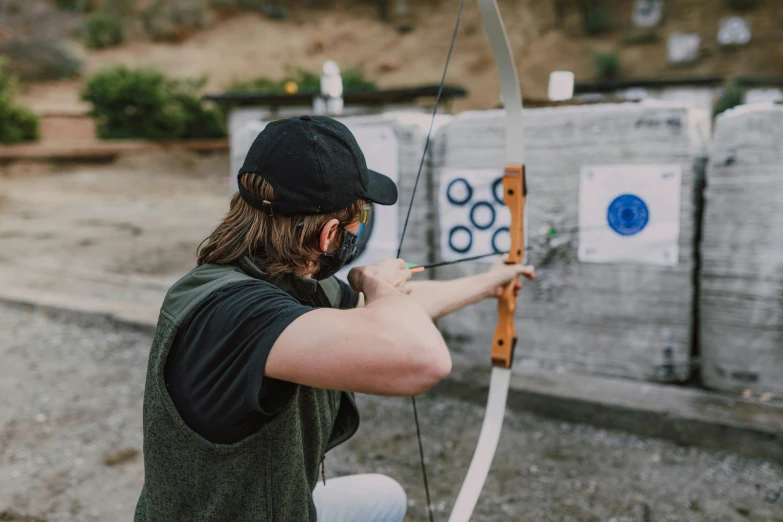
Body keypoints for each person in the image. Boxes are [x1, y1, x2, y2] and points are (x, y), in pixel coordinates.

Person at [134, 115, 534, 522]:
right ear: (329, 235)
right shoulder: (234, 315)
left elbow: (379, 315)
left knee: (383, 496)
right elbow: (425, 360)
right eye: (357, 217)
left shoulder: (284, 281)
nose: (360, 226)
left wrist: (490, 283)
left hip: (273, 507)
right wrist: (380, 288)